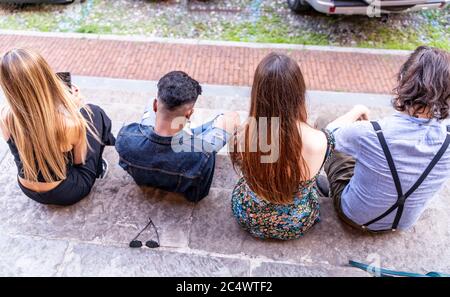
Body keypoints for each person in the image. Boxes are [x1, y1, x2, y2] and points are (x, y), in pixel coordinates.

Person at [320, 46, 450, 233]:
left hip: (355, 217)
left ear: (403, 80)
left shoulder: (370, 133)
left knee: (325, 119)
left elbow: (328, 134)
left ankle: (320, 188)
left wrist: (357, 109)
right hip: (403, 222)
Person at [229, 53, 335, 240]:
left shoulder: (243, 134)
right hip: (295, 223)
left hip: (247, 215)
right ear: (299, 93)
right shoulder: (320, 140)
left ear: (258, 93)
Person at [0, 48, 115, 206]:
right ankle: (102, 161)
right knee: (94, 112)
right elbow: (79, 161)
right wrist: (75, 109)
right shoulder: (70, 124)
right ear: (46, 76)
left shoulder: (5, 116)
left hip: (27, 188)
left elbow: (34, 124)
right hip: (66, 192)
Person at [115, 71, 240, 202]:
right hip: (193, 149)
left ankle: (184, 132)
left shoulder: (125, 136)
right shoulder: (204, 154)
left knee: (149, 100)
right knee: (231, 117)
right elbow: (200, 193)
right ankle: (186, 133)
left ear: (155, 106)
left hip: (153, 144)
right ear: (189, 114)